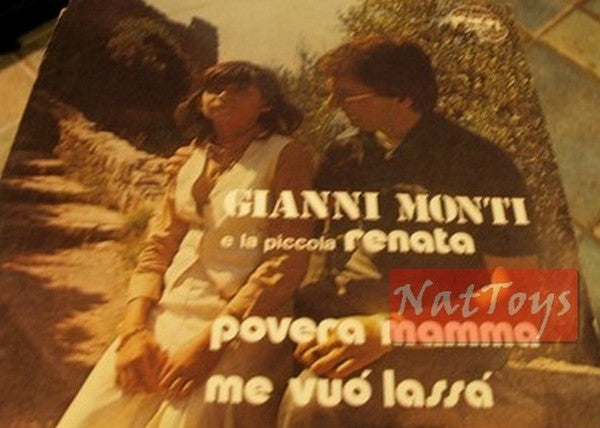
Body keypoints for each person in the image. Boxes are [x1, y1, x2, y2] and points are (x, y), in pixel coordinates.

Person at [278, 36, 546, 427]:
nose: (331, 105)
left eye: (347, 94)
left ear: (402, 96)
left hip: (436, 339)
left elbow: (518, 295)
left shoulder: (482, 164)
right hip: (339, 323)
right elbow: (314, 242)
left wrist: (391, 330)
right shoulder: (343, 153)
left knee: (312, 406)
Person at [59, 61, 313, 428]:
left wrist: (211, 344)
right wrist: (133, 331)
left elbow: (286, 261)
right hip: (166, 312)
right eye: (215, 88)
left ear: (267, 104)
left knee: (189, 417)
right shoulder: (187, 158)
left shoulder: (287, 155)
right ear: (200, 101)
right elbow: (157, 248)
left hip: (243, 323)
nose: (223, 95)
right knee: (93, 414)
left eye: (240, 88)